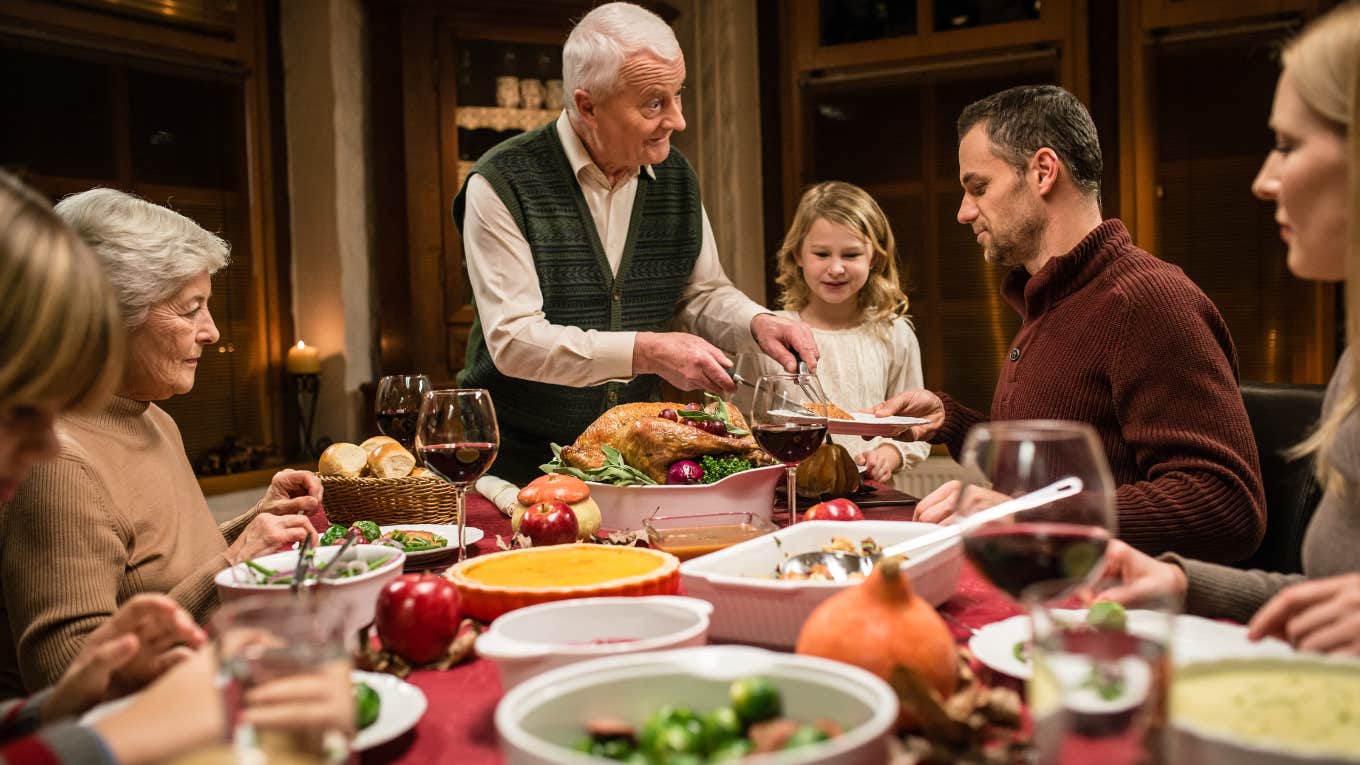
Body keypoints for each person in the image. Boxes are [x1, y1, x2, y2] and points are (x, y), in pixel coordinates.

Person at [0, 170, 351, 764]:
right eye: (191, 309)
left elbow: (156, 567)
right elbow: (66, 678)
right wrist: (232, 568)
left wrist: (250, 526)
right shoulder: (53, 460)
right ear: (108, 317)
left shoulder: (151, 416)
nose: (212, 332)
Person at [874, 84, 1266, 562]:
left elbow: (1226, 506)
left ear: (1042, 171)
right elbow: (1060, 462)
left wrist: (1031, 514)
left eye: (979, 187)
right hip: (1045, 582)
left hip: (1111, 612)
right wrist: (952, 421)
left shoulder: (1146, 302)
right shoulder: (1051, 298)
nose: (963, 212)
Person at [452, 1, 818, 484]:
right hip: (516, 469)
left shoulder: (676, 177)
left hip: (632, 465)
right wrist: (645, 351)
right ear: (587, 106)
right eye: (654, 103)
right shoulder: (501, 182)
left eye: (678, 95)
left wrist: (757, 322)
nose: (678, 120)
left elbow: (701, 293)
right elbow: (515, 341)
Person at [1099, 1, 1360, 656]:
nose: (1263, 181)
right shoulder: (1355, 362)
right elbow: (1328, 598)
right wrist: (1185, 583)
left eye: (1288, 145)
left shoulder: (1149, 300)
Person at [743, 181, 929, 488]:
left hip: (871, 498)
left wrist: (889, 452)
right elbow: (744, 428)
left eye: (852, 254)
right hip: (786, 494)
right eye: (821, 253)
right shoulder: (770, 334)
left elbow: (916, 426)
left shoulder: (895, 335)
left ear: (875, 257)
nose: (837, 268)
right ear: (798, 255)